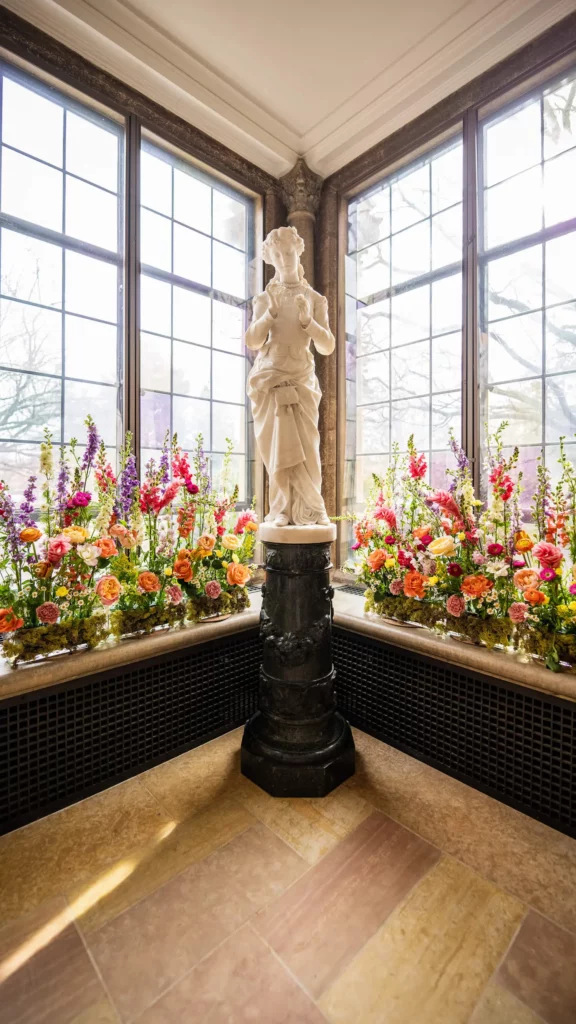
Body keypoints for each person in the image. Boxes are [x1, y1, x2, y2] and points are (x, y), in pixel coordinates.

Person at [245, 226, 335, 527]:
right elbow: (253, 341)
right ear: (271, 257)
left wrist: (309, 322)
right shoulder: (265, 298)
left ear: (299, 252)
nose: (284, 258)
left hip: (301, 378)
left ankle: (312, 508)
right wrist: (268, 314)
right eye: (278, 254)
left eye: (289, 252)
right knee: (276, 450)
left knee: (308, 447)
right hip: (270, 377)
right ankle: (281, 509)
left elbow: (327, 346)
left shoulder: (315, 298)